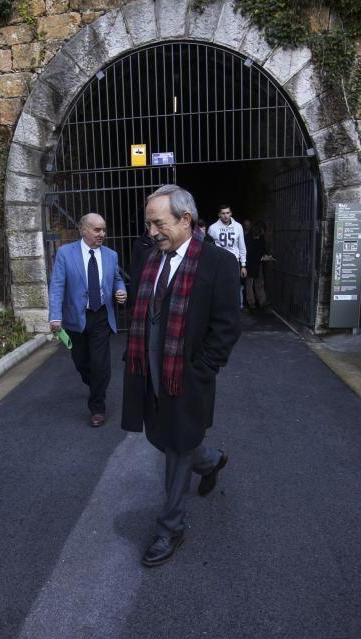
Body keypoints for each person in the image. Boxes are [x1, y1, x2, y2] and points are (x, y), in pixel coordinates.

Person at [121, 185, 241, 567]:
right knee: (163, 437)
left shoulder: (217, 263)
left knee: (176, 447)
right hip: (151, 371)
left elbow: (226, 327)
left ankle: (170, 526)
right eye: (148, 223)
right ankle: (210, 459)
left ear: (185, 221)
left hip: (186, 376)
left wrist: (202, 369)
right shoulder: (151, 258)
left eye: (158, 223)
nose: (151, 231)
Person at [49, 213, 127, 427]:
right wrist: (55, 316)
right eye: (97, 230)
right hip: (76, 317)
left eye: (103, 229)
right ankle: (95, 384)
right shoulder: (66, 253)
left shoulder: (111, 255)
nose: (102, 234)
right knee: (82, 362)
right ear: (83, 230)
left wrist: (120, 291)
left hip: (101, 315)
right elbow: (57, 286)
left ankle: (97, 407)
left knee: (100, 364)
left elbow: (117, 279)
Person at [244, 218, 268, 311]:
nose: (262, 232)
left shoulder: (261, 237)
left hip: (258, 263)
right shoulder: (248, 237)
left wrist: (264, 255)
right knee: (249, 284)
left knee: (259, 283)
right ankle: (251, 303)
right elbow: (248, 251)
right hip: (250, 263)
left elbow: (262, 249)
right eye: (261, 230)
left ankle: (262, 301)